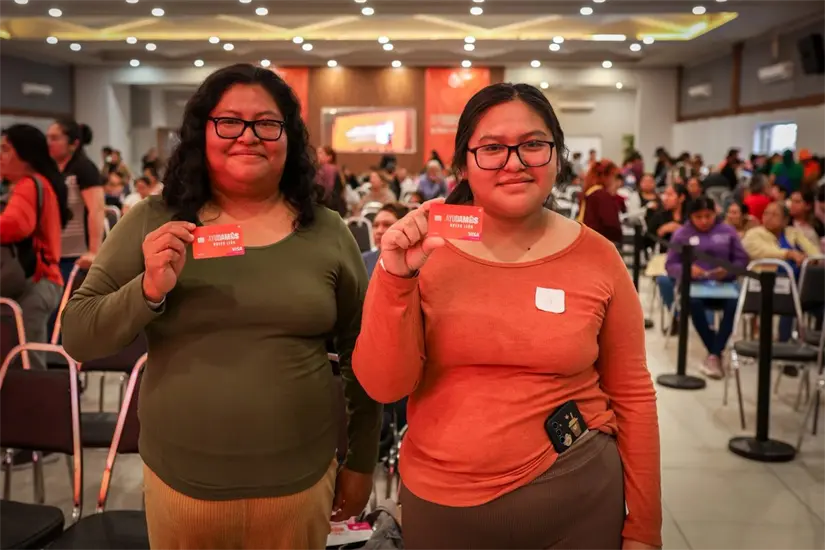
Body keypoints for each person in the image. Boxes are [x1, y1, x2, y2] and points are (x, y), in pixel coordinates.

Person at [61, 64, 381, 550]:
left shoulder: (328, 231)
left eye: (266, 123)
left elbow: (363, 357)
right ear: (201, 132)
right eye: (229, 121)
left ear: (289, 137)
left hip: (300, 484)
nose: (248, 136)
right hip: (181, 485)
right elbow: (79, 334)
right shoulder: (154, 219)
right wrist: (147, 290)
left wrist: (360, 461)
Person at [353, 82, 661, 550]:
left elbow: (633, 396)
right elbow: (384, 385)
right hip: (443, 508)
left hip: (579, 500)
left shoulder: (599, 257)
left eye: (533, 145)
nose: (514, 162)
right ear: (462, 163)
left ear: (556, 157)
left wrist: (644, 530)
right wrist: (395, 278)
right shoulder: (420, 253)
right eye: (493, 147)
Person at [0, 125, 68, 368]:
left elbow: (16, 225)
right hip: (40, 283)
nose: (1, 156)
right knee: (24, 360)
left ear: (25, 154)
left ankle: (36, 406)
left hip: (36, 282)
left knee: (27, 363)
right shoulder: (36, 183)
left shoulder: (29, 184)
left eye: (6, 149)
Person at [666, 196, 749, 379]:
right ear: (691, 216)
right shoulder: (682, 234)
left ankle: (713, 354)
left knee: (733, 305)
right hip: (695, 287)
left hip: (724, 286)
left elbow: (742, 259)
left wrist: (727, 270)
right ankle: (715, 352)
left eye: (708, 216)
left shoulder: (728, 231)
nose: (704, 221)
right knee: (693, 304)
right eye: (699, 216)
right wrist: (687, 270)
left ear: (715, 214)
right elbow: (671, 264)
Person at [743, 201, 821, 342]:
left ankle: (815, 345)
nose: (768, 217)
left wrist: (810, 259)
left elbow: (814, 252)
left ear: (785, 220)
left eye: (774, 214)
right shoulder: (753, 234)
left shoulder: (793, 233)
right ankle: (786, 341)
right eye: (766, 213)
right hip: (768, 284)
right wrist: (789, 254)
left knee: (818, 301)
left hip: (801, 286)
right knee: (791, 297)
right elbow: (762, 251)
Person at [46, 119, 105, 275]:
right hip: (57, 253)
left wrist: (94, 252)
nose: (49, 143)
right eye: (48, 138)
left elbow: (97, 210)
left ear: (74, 144)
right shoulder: (52, 170)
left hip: (78, 256)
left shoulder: (84, 168)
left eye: (55, 138)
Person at [647, 183, 689, 327]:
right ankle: (677, 315)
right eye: (665, 194)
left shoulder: (691, 216)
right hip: (666, 260)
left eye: (670, 194)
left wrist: (680, 230)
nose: (666, 198)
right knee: (663, 280)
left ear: (681, 198)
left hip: (691, 260)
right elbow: (647, 238)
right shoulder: (660, 216)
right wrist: (661, 231)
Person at [578, 159, 623, 243]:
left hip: (588, 239)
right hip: (600, 242)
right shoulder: (602, 195)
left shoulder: (589, 192)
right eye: (614, 177)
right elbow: (611, 224)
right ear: (608, 176)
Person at [361, 202, 409, 278]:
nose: (379, 231)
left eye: (387, 225)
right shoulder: (363, 261)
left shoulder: (417, 264)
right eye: (375, 225)